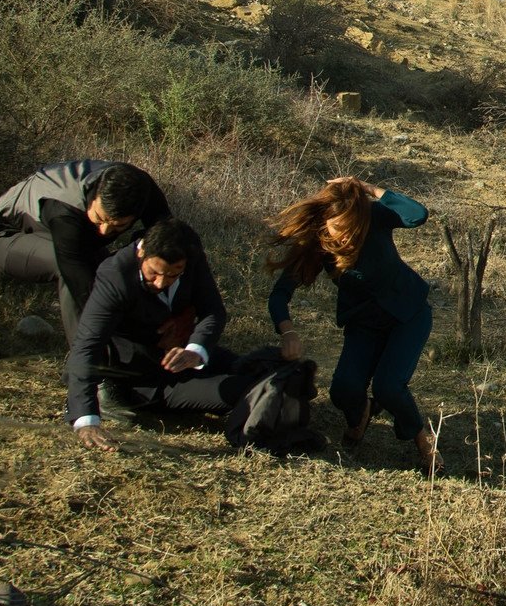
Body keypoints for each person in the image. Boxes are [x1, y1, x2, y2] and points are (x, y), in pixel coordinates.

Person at [268, 176, 438, 475]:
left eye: (353, 231)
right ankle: (362, 414)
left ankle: (424, 444)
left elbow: (417, 214)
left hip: (408, 314)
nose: (348, 238)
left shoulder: (372, 217)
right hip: (364, 323)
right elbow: (280, 295)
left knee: (389, 387)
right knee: (343, 391)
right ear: (325, 223)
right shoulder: (316, 245)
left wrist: (368, 189)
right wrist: (288, 332)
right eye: (340, 231)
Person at [67, 220, 253, 450]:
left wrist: (195, 350)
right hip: (144, 378)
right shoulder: (115, 276)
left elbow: (213, 310)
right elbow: (88, 344)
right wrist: (86, 420)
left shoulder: (190, 257)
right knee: (242, 391)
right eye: (153, 272)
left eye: (173, 275)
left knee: (261, 368)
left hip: (182, 356)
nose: (161, 282)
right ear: (141, 252)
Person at [0, 160, 172, 341]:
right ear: (93, 197)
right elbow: (84, 288)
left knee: (126, 263)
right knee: (72, 272)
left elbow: (171, 242)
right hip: (6, 238)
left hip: (67, 239)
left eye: (118, 226)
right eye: (100, 218)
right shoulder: (64, 211)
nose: (104, 231)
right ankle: (87, 357)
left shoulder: (142, 187)